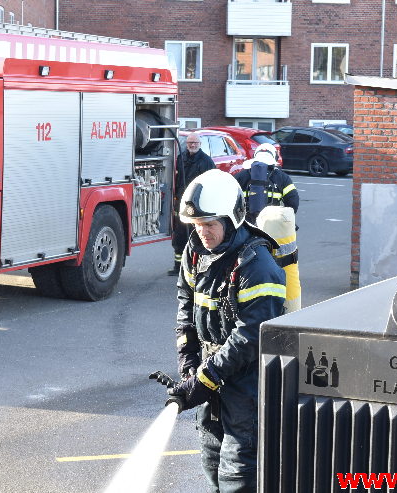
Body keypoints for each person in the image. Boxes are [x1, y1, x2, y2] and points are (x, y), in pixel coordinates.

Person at [169, 169, 286, 492]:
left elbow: (250, 335)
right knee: (211, 459)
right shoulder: (195, 252)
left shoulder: (257, 265)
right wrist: (188, 364)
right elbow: (185, 306)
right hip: (213, 376)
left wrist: (205, 378)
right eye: (197, 225)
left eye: (210, 224)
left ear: (232, 218)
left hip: (248, 383)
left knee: (239, 472)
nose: (202, 232)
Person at [168, 132, 215, 276]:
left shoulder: (206, 161)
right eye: (190, 143)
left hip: (198, 204)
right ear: (186, 144)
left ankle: (198, 266)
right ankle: (178, 267)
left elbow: (211, 183)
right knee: (180, 236)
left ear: (200, 144)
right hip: (181, 203)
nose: (192, 145)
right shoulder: (181, 158)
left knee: (197, 236)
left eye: (195, 143)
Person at [234, 143, 299, 224]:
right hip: (272, 224)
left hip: (246, 224)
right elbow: (293, 202)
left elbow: (229, 199)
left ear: (255, 156)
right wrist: (286, 220)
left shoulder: (241, 176)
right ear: (275, 157)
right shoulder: (282, 177)